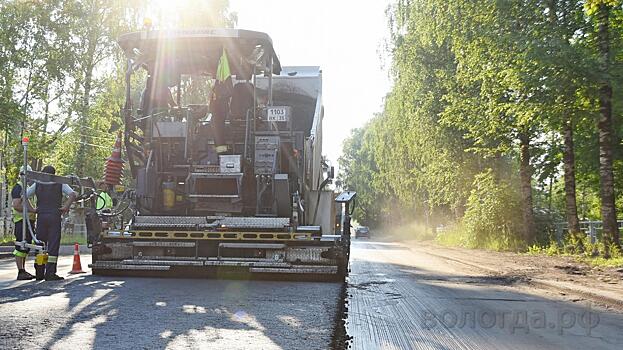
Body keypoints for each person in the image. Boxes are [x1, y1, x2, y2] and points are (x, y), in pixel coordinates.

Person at [26, 165, 77, 281]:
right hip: (54, 216)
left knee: (40, 244)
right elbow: (73, 194)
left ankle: (39, 272)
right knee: (53, 245)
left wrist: (32, 209)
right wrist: (65, 207)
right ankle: (50, 273)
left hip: (41, 216)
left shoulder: (38, 184)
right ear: (54, 174)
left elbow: (24, 195)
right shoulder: (60, 183)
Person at [11, 165, 37, 280]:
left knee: (25, 247)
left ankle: (23, 270)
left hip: (28, 221)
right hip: (21, 221)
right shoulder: (18, 187)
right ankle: (20, 271)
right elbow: (16, 205)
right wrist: (33, 210)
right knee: (21, 245)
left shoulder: (27, 187)